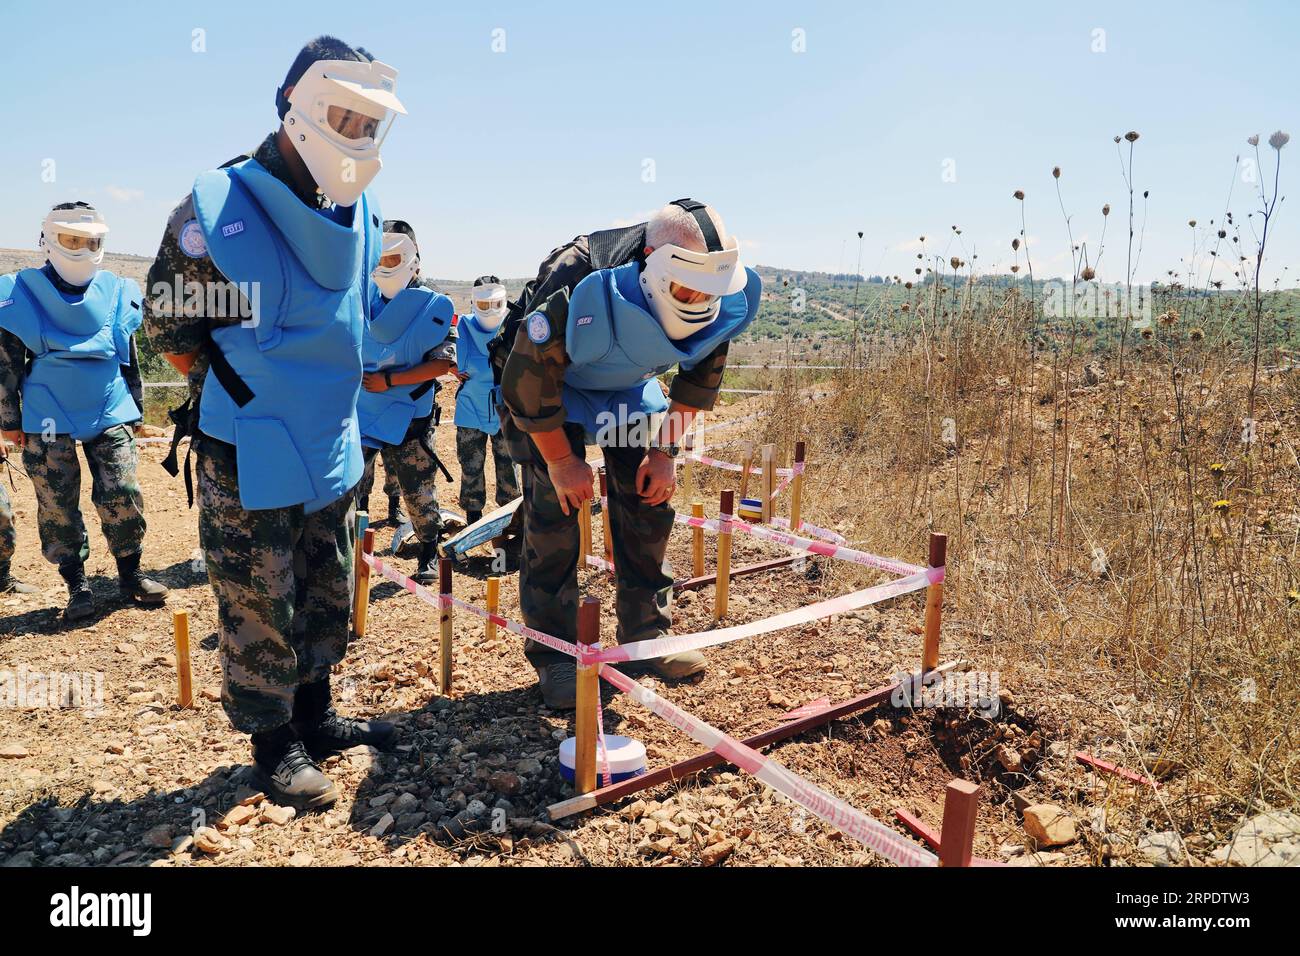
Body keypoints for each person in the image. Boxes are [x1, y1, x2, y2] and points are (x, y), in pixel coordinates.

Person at [143, 36, 406, 810]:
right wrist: (251, 385)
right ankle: (272, 744)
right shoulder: (218, 210)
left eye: (370, 123)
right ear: (296, 108)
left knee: (325, 582)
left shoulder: (365, 212)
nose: (356, 137)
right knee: (259, 596)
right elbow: (169, 326)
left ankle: (317, 715)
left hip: (332, 433)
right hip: (248, 439)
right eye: (343, 118)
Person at [499, 199, 760, 708]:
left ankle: (645, 636)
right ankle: (554, 652)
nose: (699, 301)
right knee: (556, 512)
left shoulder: (723, 296)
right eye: (687, 289)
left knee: (649, 501)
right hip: (544, 388)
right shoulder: (575, 275)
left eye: (711, 291)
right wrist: (561, 461)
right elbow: (527, 380)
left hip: (624, 387)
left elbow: (700, 372)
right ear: (651, 261)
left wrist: (665, 453)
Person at [0, 202, 168, 619]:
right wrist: (9, 422)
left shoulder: (118, 289)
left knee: (122, 492)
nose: (81, 249)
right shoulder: (18, 292)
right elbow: (6, 365)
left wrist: (137, 412)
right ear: (49, 239)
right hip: (47, 412)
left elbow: (128, 357)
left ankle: (131, 574)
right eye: (72, 239)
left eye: (90, 240)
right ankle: (78, 586)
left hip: (108, 405)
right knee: (56, 502)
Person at [355, 220, 457, 582]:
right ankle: (351, 556)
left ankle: (429, 552)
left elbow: (443, 362)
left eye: (394, 255)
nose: (386, 263)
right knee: (352, 485)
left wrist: (390, 380)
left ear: (413, 258)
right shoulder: (363, 299)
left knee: (418, 490)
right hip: (365, 410)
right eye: (380, 255)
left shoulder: (432, 306)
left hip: (411, 416)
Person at [454, 275, 520, 526]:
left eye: (494, 304)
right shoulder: (462, 327)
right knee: (471, 466)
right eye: (484, 305)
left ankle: (512, 521)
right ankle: (473, 521)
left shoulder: (514, 324)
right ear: (473, 302)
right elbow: (448, 356)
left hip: (507, 408)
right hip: (471, 408)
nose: (490, 311)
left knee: (509, 467)